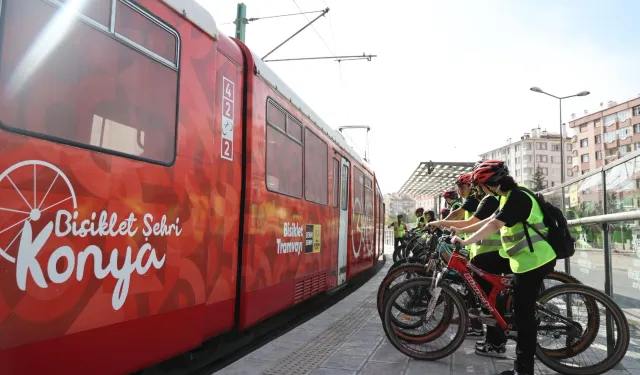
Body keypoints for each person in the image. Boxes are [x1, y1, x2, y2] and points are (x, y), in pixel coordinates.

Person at [452, 160, 557, 375]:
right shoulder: (506, 197)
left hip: (535, 260)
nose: (480, 191)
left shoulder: (518, 197)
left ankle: (523, 370)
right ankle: (499, 324)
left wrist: (465, 242)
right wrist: (456, 229)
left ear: (491, 183)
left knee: (523, 316)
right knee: (491, 278)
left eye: (481, 186)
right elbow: (488, 220)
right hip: (522, 259)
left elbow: (493, 225)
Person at [429, 171, 507, 343]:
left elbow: (471, 223)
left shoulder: (490, 200)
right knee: (482, 296)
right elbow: (481, 223)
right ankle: (485, 331)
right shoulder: (494, 200)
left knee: (487, 299)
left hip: (493, 255)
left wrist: (442, 224)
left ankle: (493, 338)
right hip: (484, 254)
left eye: (474, 185)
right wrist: (460, 232)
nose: (472, 189)